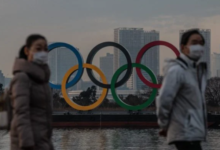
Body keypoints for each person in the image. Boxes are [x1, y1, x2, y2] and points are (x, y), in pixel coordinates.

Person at [156, 29, 207, 150]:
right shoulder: (177, 70)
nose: (198, 46)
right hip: (185, 133)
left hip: (193, 133)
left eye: (201, 43)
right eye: (194, 43)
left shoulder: (195, 72)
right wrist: (164, 125)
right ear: (183, 47)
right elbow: (164, 99)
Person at [10, 34, 54, 150]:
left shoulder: (42, 80)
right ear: (27, 50)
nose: (43, 53)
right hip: (28, 144)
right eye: (38, 49)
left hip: (42, 142)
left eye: (45, 49)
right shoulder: (22, 78)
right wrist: (27, 144)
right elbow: (21, 114)